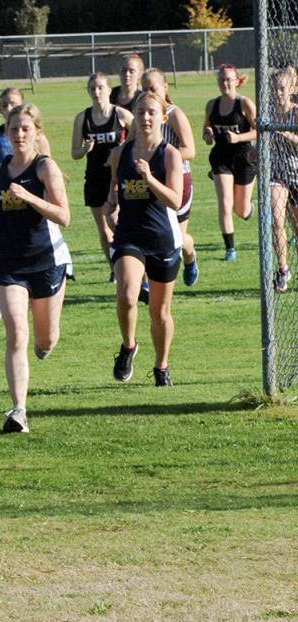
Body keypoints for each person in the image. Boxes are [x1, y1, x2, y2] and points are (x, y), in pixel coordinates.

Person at [0, 103, 72, 433]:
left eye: (25, 129)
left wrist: (30, 197)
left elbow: (64, 216)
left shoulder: (45, 167)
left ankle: (43, 345)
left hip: (46, 259)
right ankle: (19, 410)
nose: (19, 134)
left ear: (36, 132)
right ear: (6, 132)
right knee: (17, 333)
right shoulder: (1, 169)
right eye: (13, 129)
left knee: (45, 340)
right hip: (9, 261)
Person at [107, 93, 184, 387]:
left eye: (152, 112)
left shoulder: (170, 154)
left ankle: (161, 366)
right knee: (127, 295)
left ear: (163, 117)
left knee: (159, 312)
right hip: (129, 235)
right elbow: (115, 190)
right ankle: (128, 346)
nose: (146, 118)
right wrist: (112, 205)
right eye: (140, 112)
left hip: (162, 238)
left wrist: (150, 179)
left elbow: (175, 200)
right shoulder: (121, 153)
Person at [140, 68, 200, 286]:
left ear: (165, 87)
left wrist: (162, 158)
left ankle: (190, 257)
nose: (148, 93)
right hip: (151, 180)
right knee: (147, 230)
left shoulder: (174, 114)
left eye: (152, 88)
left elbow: (190, 150)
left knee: (177, 239)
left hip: (178, 180)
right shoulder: (143, 114)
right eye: (144, 89)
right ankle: (145, 280)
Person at [71, 72, 132, 279]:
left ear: (109, 90)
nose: (96, 92)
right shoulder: (83, 118)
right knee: (105, 231)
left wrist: (123, 150)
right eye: (92, 88)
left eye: (100, 88)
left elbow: (139, 136)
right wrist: (84, 149)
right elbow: (74, 153)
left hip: (118, 178)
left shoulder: (121, 115)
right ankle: (115, 269)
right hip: (95, 178)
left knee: (116, 222)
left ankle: (131, 264)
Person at [202, 64, 258, 262]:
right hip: (221, 158)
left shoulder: (244, 104)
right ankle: (230, 250)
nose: (224, 83)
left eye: (228, 79)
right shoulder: (212, 105)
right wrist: (208, 135)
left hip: (244, 158)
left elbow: (260, 131)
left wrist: (238, 137)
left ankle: (249, 209)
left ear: (236, 81)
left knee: (240, 210)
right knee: (225, 202)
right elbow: (207, 128)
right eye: (221, 79)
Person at [269, 68, 298, 292]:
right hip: (277, 175)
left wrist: (289, 135)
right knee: (277, 220)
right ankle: (282, 269)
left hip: (296, 174)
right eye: (275, 89)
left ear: (292, 90)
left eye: (282, 89)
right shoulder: (268, 113)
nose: (278, 93)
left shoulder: (295, 113)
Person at [0, 88, 52, 166]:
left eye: (13, 104)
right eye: (4, 105)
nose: (8, 109)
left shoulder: (38, 138)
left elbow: (48, 165)